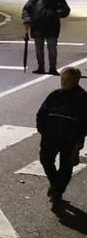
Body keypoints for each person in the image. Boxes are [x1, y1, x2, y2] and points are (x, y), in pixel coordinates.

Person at [38, 66, 87, 206]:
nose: (63, 82)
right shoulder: (55, 95)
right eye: (62, 79)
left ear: (76, 81)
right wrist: (43, 130)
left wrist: (78, 143)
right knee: (46, 160)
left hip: (70, 139)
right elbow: (42, 113)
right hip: (50, 137)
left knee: (66, 166)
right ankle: (56, 186)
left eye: (67, 80)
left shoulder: (83, 99)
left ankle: (57, 191)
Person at [24, 0, 72, 75]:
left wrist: (55, 14)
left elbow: (66, 10)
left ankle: (52, 68)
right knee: (39, 49)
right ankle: (40, 67)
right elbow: (26, 10)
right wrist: (27, 20)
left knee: (52, 49)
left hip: (52, 28)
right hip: (37, 27)